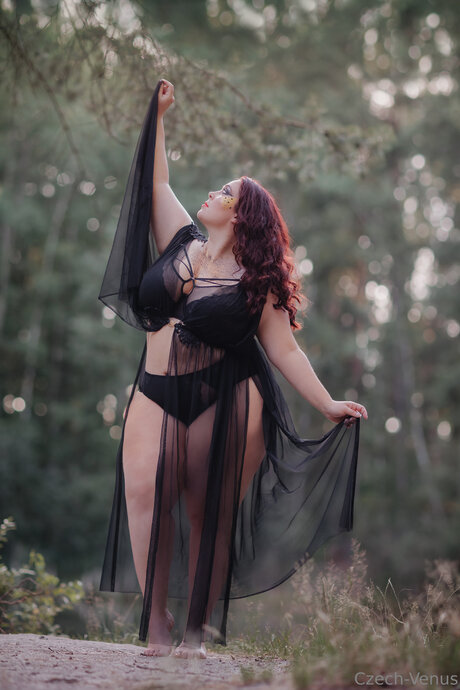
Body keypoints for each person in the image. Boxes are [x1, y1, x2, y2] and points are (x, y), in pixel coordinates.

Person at [98, 79, 368, 660]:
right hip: (154, 389)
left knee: (208, 512)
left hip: (226, 395)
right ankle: (157, 620)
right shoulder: (180, 239)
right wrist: (158, 116)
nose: (213, 192)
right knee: (144, 494)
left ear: (242, 216)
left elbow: (286, 351)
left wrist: (327, 404)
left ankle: (195, 632)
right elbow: (156, 182)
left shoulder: (258, 283)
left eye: (226, 191)